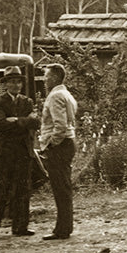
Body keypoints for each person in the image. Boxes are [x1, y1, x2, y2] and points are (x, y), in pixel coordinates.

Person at [0, 66, 40, 238]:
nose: (16, 85)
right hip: (4, 151)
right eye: (12, 81)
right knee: (1, 188)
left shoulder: (27, 102)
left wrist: (15, 121)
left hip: (22, 151)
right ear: (6, 84)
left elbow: (36, 123)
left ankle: (20, 227)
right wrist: (24, 122)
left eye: (18, 81)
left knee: (23, 189)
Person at [39, 64, 78, 240]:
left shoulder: (55, 96)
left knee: (61, 188)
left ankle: (62, 230)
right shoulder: (66, 94)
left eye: (46, 76)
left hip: (60, 145)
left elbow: (60, 126)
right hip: (67, 143)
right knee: (63, 187)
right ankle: (64, 227)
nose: (44, 80)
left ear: (54, 78)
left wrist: (50, 144)